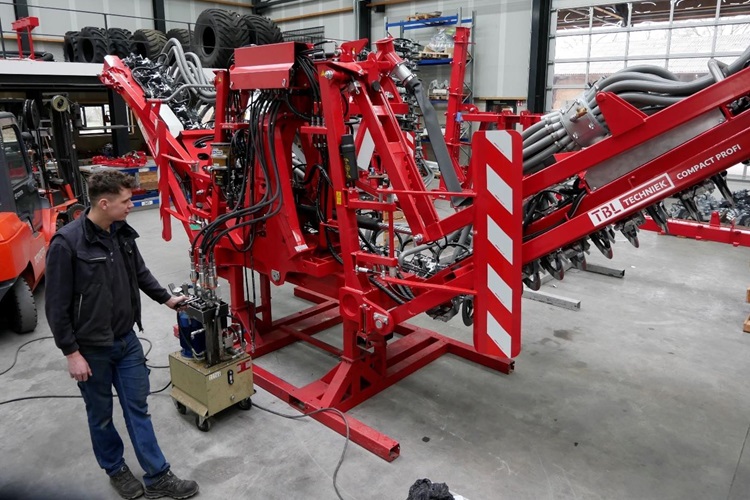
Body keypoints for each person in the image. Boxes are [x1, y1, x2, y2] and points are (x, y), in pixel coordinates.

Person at [45, 170, 199, 500]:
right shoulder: (66, 244)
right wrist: (71, 353)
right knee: (100, 415)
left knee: (137, 407)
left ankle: (158, 475)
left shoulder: (122, 233)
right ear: (104, 203)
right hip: (91, 349)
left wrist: (167, 299)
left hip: (126, 340)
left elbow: (139, 272)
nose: (131, 205)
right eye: (126, 201)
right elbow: (56, 306)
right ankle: (115, 468)